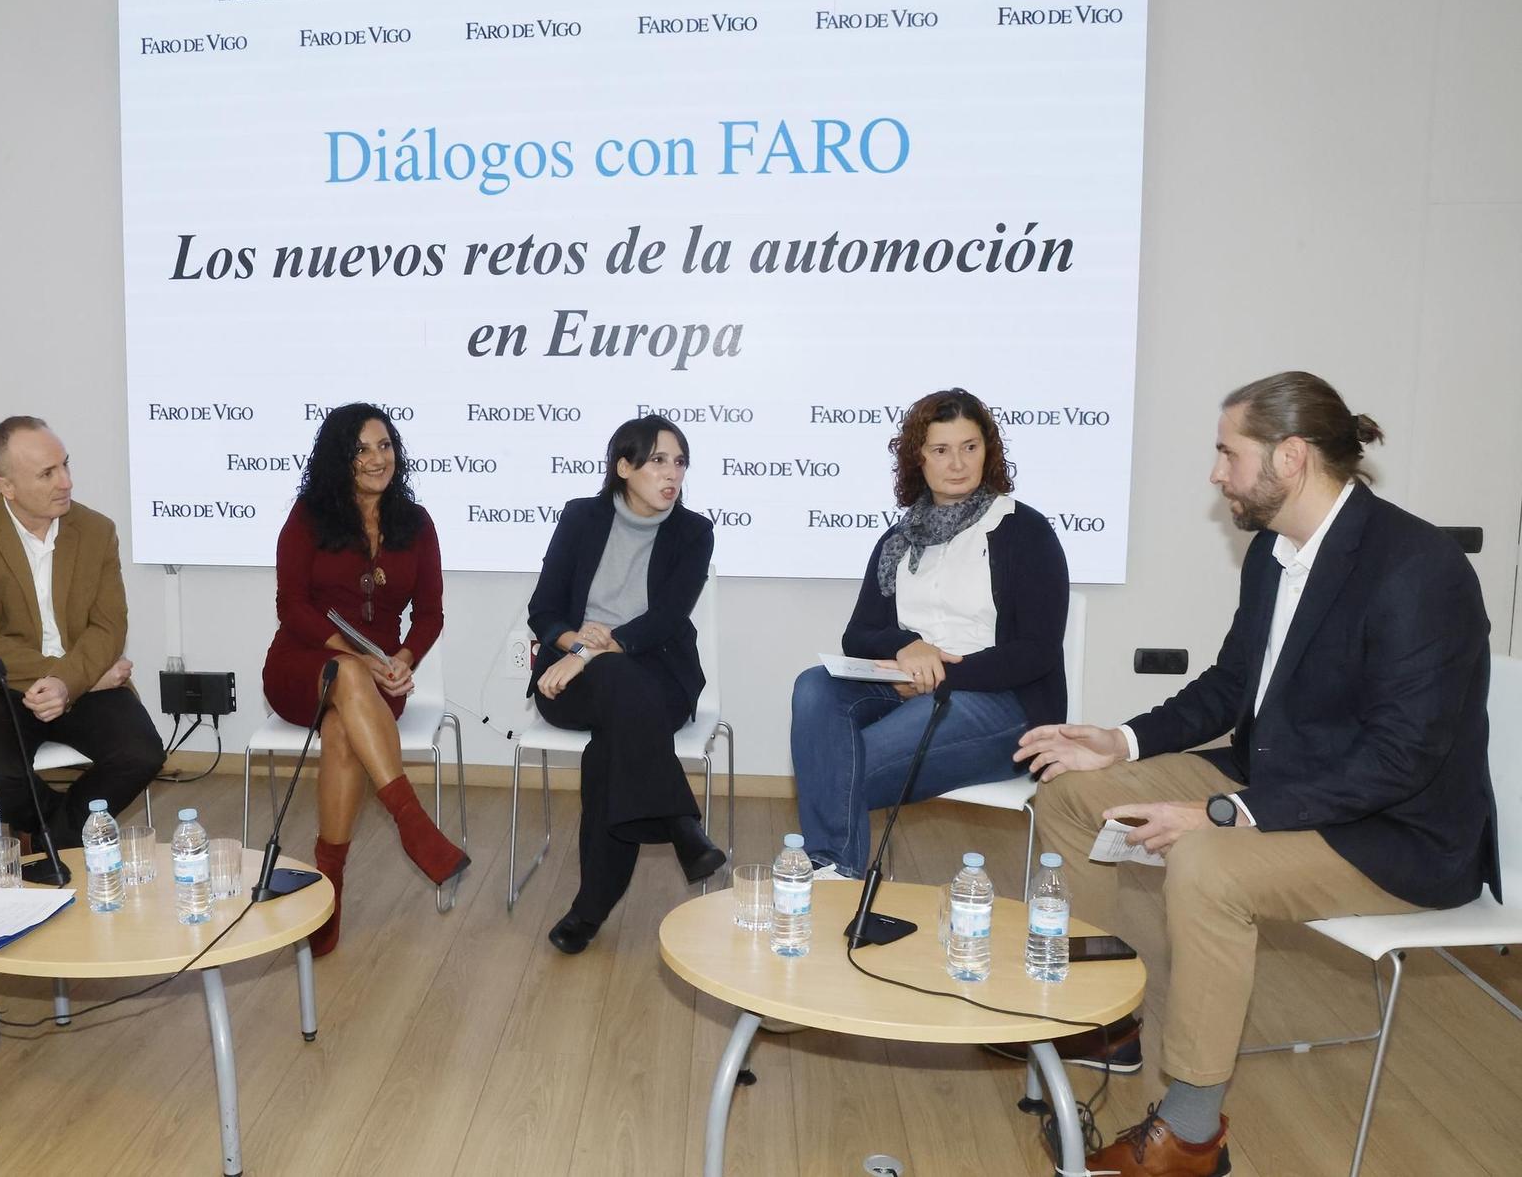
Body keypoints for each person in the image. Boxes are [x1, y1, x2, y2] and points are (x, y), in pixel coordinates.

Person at [1017, 372, 1495, 1177]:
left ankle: (1192, 1136)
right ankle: (1100, 1024)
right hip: (1285, 778)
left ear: (1292, 457)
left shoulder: (1419, 569)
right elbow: (1234, 686)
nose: (1215, 473)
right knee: (1068, 795)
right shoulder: (1277, 551)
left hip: (1394, 831)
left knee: (1207, 866)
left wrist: (1228, 813)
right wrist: (1121, 742)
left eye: (1226, 452)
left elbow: (1401, 760)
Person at [790, 388, 1069, 883]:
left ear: (989, 451)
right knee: (815, 685)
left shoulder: (1024, 531)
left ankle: (832, 874)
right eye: (941, 450)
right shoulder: (898, 539)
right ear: (918, 459)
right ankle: (839, 871)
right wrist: (905, 646)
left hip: (1002, 704)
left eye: (970, 447)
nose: (957, 463)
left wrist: (941, 676)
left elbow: (1038, 652)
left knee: (841, 764)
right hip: (912, 686)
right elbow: (859, 634)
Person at [262, 402, 468, 958]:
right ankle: (413, 822)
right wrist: (355, 655)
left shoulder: (415, 523)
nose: (378, 459)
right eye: (362, 449)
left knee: (342, 733)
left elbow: (430, 614)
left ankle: (328, 889)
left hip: (377, 684)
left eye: (385, 445)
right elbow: (293, 607)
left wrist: (403, 658)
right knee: (349, 673)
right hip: (302, 667)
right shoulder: (309, 517)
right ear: (338, 458)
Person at [526, 415, 722, 955]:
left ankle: (589, 909)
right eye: (658, 460)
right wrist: (575, 649)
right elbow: (542, 609)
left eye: (680, 462)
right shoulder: (580, 518)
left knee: (613, 744)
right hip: (569, 677)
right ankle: (681, 823)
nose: (672, 474)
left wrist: (594, 651)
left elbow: (667, 618)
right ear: (623, 467)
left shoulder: (693, 532)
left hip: (659, 675)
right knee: (614, 688)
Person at [0, 416, 164, 853]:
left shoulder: (97, 530)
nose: (66, 482)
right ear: (5, 486)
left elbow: (109, 625)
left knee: (142, 754)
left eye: (65, 466)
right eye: (47, 473)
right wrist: (77, 677)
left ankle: (49, 841)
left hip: (83, 676)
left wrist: (69, 683)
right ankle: (68, 835)